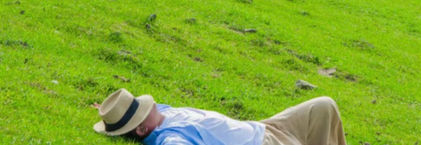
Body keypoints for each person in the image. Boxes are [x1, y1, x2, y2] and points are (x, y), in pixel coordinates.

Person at [93, 88, 348, 145]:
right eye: (142, 110)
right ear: (141, 130)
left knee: (323, 106)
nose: (151, 104)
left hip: (266, 126)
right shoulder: (169, 138)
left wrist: (111, 116)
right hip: (262, 144)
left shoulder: (162, 113)